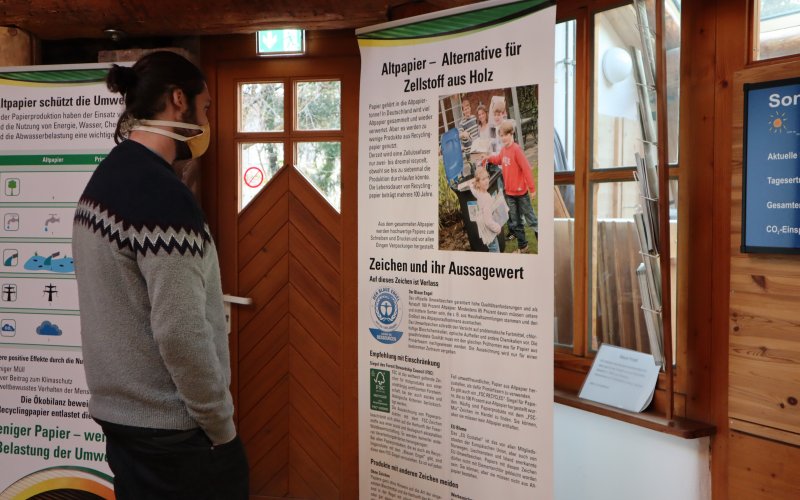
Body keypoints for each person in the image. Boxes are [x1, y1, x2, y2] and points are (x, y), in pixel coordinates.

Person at [72, 51, 249, 499]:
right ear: (177, 100)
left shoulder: (102, 182)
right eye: (206, 107)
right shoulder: (164, 198)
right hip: (173, 433)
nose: (209, 121)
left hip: (120, 423)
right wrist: (220, 428)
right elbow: (182, 332)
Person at [483, 119, 538, 253]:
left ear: (511, 134)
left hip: (522, 195)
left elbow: (526, 169)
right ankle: (523, 246)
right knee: (516, 222)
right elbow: (498, 159)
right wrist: (488, 157)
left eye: (505, 135)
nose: (503, 138)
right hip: (510, 195)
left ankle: (542, 240)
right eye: (501, 135)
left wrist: (532, 189)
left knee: (531, 220)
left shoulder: (516, 150)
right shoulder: (503, 150)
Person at [469, 166, 503, 252]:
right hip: (490, 232)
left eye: (487, 177)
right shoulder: (486, 198)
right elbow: (488, 221)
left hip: (484, 230)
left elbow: (472, 189)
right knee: (495, 251)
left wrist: (472, 183)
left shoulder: (479, 192)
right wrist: (498, 228)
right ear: (478, 182)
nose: (486, 181)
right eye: (483, 179)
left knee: (491, 248)